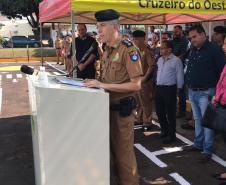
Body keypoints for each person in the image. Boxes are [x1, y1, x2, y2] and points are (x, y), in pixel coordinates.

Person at [84, 9, 143, 185]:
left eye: (102, 26)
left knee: (124, 157)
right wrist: (96, 82)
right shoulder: (107, 50)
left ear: (115, 26)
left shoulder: (128, 49)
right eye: (97, 26)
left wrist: (102, 85)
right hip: (105, 110)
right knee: (109, 156)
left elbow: (136, 84)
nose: (98, 30)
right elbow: (106, 78)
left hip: (122, 113)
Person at [184, 24, 226, 163]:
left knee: (207, 122)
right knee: (197, 120)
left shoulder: (214, 50)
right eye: (190, 38)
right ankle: (198, 143)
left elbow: (222, 73)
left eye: (194, 36)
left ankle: (207, 150)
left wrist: (217, 94)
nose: (192, 40)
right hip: (193, 90)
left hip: (206, 92)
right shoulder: (193, 49)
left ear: (203, 34)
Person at [155, 40, 184, 144]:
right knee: (159, 111)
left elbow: (180, 76)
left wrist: (179, 89)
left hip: (170, 89)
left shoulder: (176, 61)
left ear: (169, 49)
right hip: (159, 88)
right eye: (160, 47)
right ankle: (164, 130)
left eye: (163, 48)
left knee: (170, 113)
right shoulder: (159, 59)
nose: (160, 49)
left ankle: (172, 135)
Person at [132, 30, 156, 132]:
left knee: (146, 102)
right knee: (138, 101)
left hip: (145, 81)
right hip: (136, 80)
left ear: (142, 39)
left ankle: (147, 121)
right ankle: (139, 118)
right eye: (134, 39)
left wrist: (145, 78)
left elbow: (152, 66)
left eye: (137, 39)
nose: (135, 41)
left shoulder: (147, 50)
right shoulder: (134, 50)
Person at [212, 35, 226, 185]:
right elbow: (221, 82)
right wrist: (217, 97)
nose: (223, 46)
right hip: (222, 105)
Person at [171, 25, 190, 118]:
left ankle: (182, 111)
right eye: (174, 32)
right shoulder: (173, 41)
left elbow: (183, 55)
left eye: (176, 31)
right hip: (172, 68)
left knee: (181, 91)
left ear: (181, 31)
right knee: (173, 90)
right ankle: (174, 109)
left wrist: (172, 60)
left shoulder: (185, 41)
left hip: (181, 68)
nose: (174, 33)